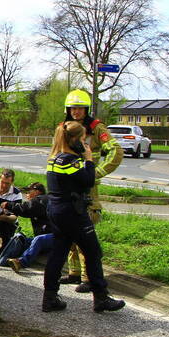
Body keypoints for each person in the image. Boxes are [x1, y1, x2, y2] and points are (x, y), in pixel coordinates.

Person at [41, 120, 125, 313]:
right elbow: (88, 181)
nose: (85, 141)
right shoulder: (72, 161)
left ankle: (50, 297)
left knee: (58, 253)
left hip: (56, 211)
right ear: (74, 140)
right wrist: (88, 159)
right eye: (82, 138)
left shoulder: (54, 158)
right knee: (93, 252)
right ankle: (101, 297)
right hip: (73, 213)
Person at [60, 90, 123, 293]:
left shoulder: (96, 128)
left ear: (86, 109)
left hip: (87, 186)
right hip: (67, 184)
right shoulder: (63, 128)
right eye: (73, 108)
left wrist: (98, 172)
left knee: (85, 230)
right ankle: (74, 273)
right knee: (69, 229)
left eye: (80, 108)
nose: (76, 111)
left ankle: (88, 277)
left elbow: (116, 150)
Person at [2, 182, 54, 272]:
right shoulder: (40, 202)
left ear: (37, 192)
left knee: (39, 239)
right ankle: (6, 258)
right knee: (21, 239)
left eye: (29, 191)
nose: (26, 195)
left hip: (57, 237)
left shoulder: (42, 200)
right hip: (46, 237)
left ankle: (21, 262)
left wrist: (8, 205)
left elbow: (25, 209)